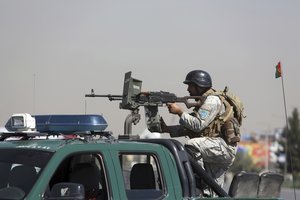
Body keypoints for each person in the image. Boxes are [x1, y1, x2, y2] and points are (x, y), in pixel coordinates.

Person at [160, 69, 240, 196]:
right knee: (212, 191)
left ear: (199, 86)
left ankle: (196, 177)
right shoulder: (204, 101)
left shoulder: (212, 101)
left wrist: (180, 112)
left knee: (192, 145)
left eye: (190, 85)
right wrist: (167, 129)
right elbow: (191, 127)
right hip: (214, 147)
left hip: (223, 147)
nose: (188, 89)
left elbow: (197, 125)